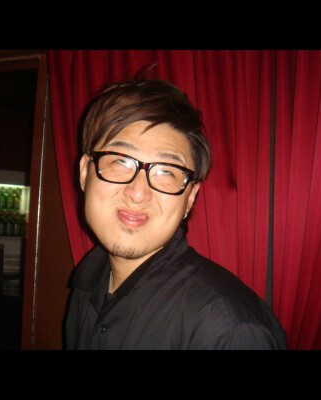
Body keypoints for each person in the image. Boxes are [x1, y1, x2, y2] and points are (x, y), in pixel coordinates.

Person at [65, 78, 287, 350]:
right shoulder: (87, 285)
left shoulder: (228, 331)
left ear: (190, 197)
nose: (138, 193)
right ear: (85, 172)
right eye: (121, 161)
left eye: (166, 171)